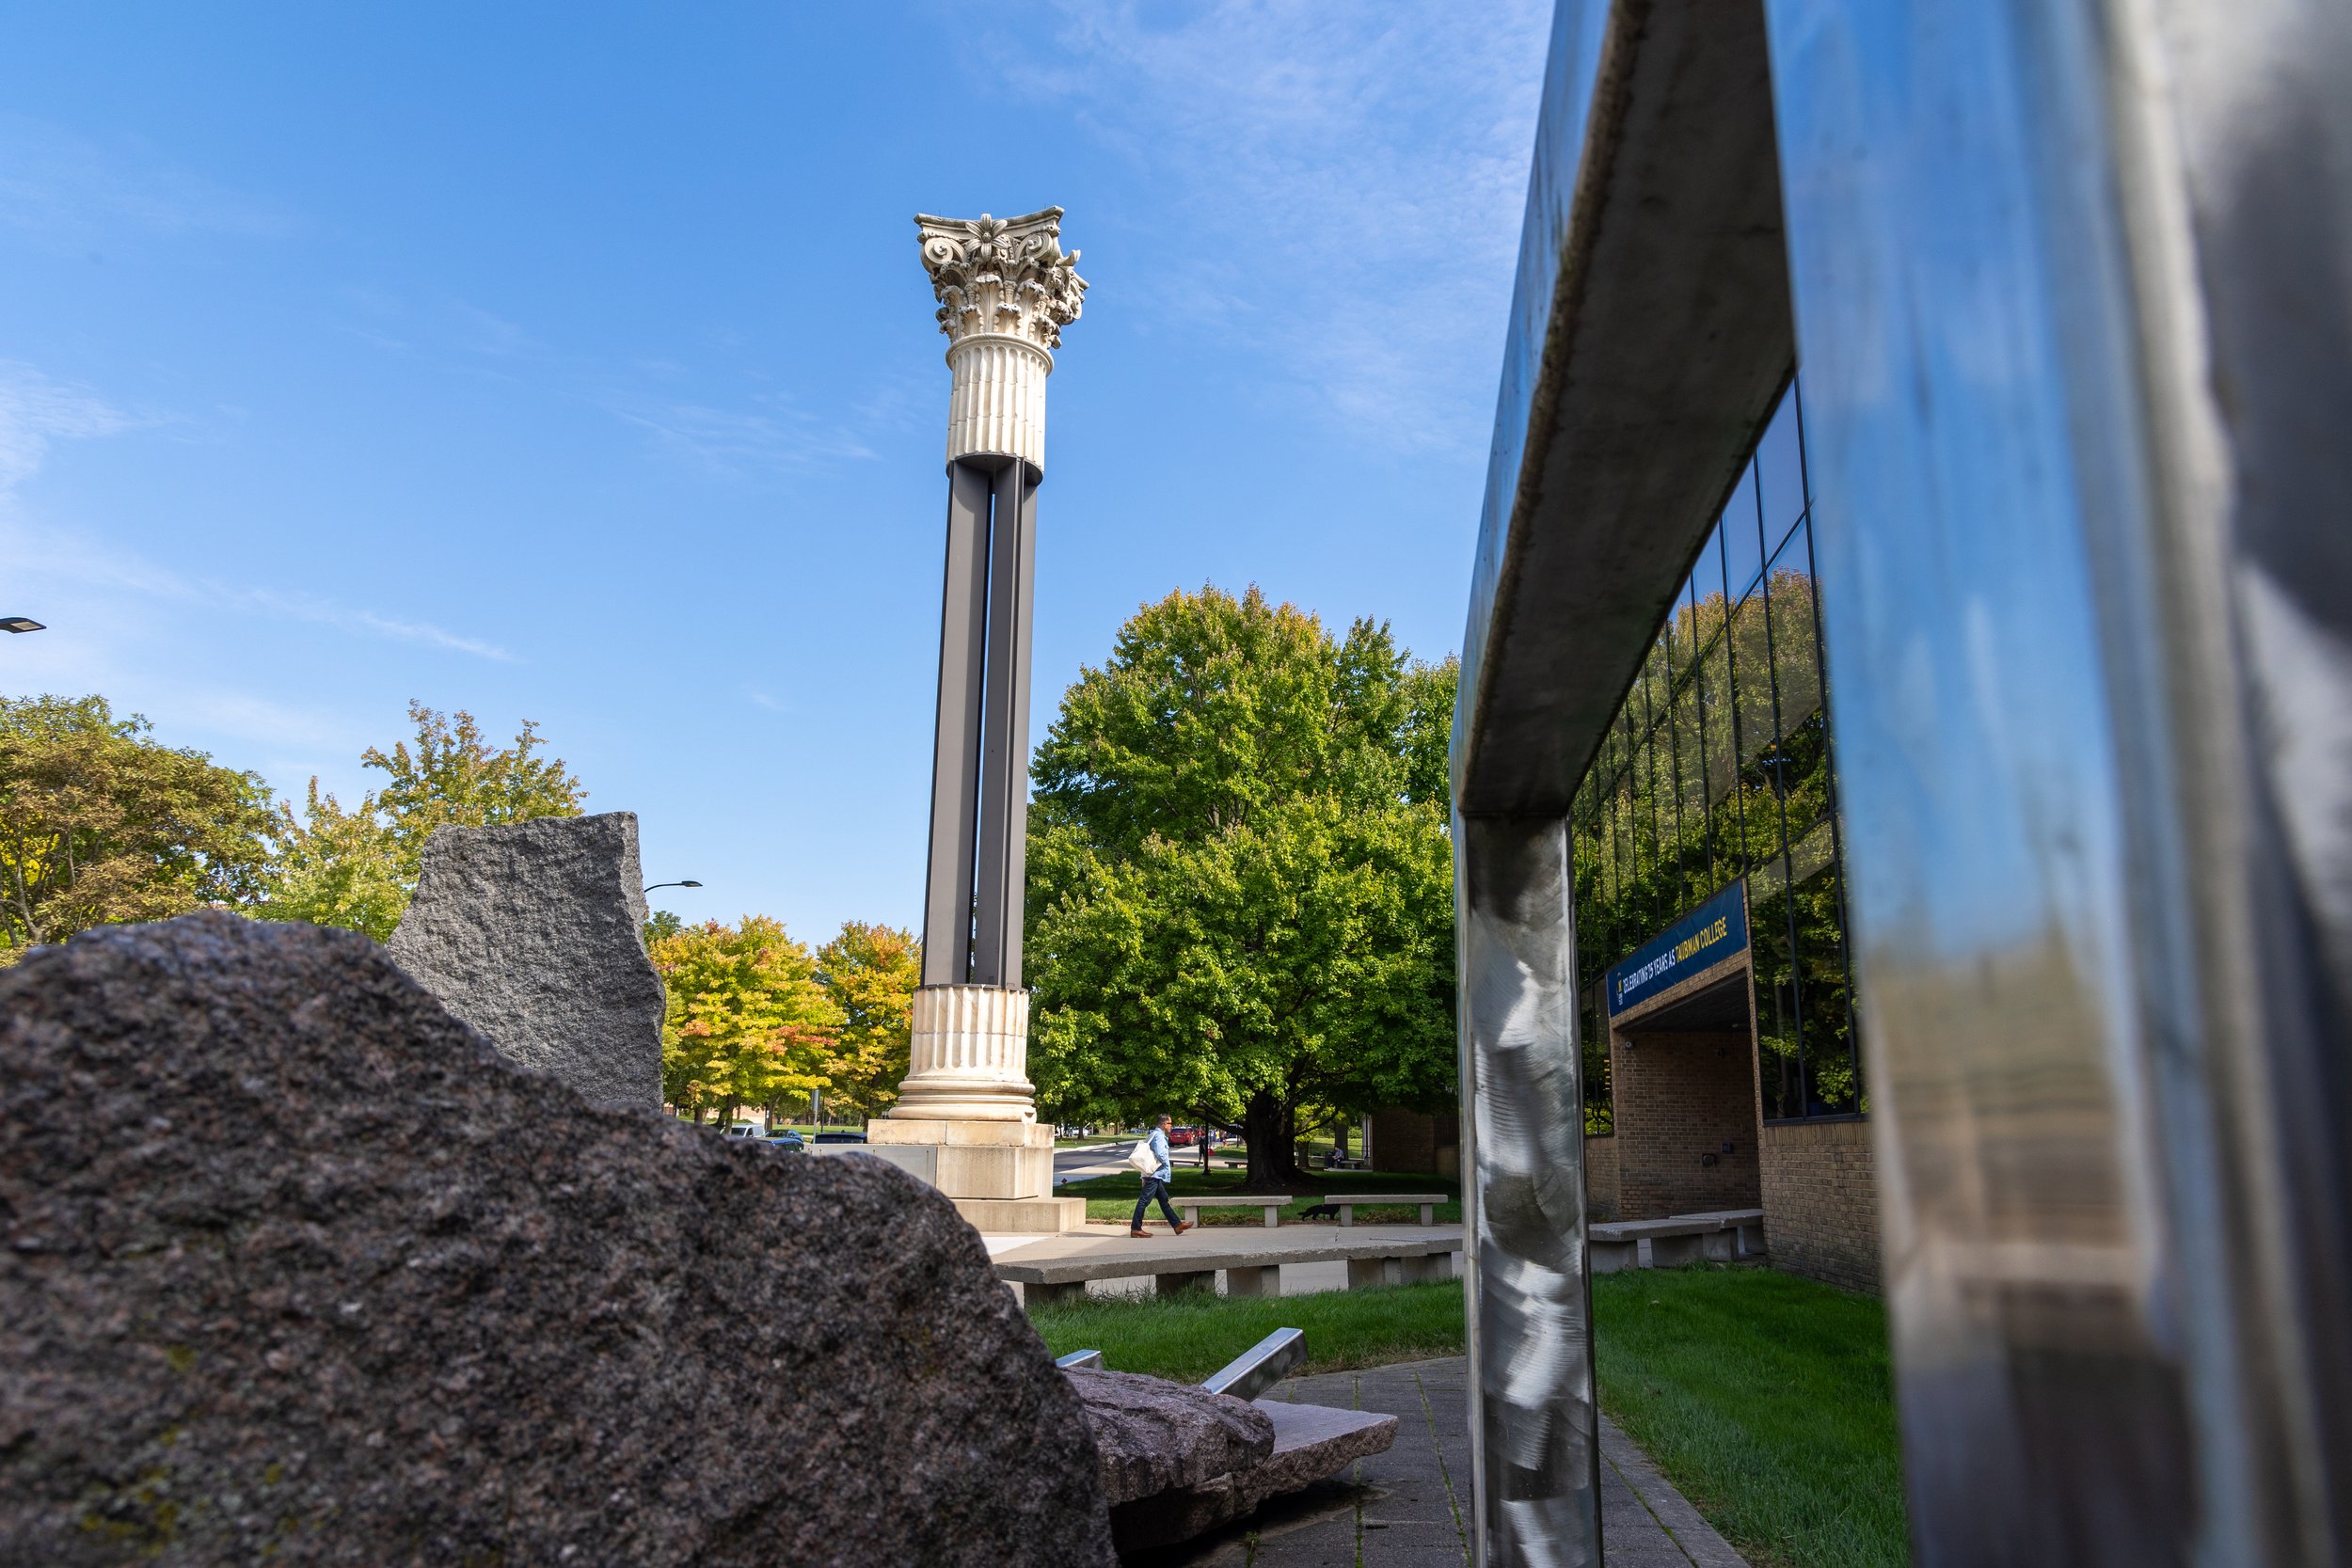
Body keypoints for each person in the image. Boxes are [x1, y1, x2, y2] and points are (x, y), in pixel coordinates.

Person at [1130, 1115, 1191, 1238]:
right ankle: (1136, 1228)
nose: (1171, 1126)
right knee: (1144, 1201)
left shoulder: (1154, 1135)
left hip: (1154, 1175)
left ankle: (1177, 1225)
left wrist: (1143, 1175)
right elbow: (1161, 1154)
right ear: (1163, 1124)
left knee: (1164, 1200)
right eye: (1170, 1124)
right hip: (1153, 1175)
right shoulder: (1158, 1136)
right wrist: (1165, 1165)